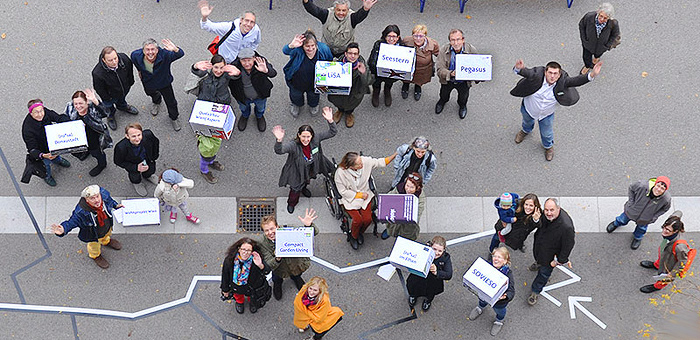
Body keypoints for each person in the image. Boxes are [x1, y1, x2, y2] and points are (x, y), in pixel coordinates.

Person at [511, 59, 602, 161]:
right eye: (550, 73)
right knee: (527, 122)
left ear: (559, 75)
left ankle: (548, 147)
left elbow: (576, 81)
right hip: (529, 108)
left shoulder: (563, 82)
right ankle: (525, 131)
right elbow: (527, 72)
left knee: (546, 133)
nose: (552, 76)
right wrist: (519, 69)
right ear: (545, 72)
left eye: (555, 74)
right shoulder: (536, 76)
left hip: (546, 114)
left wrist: (592, 74)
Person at [273, 108, 337, 214]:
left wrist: (330, 120)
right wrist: (279, 140)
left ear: (312, 136)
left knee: (307, 180)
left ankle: (304, 189)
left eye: (308, 137)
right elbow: (279, 151)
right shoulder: (293, 145)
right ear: (299, 135)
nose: (306, 140)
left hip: (311, 167)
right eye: (303, 136)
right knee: (295, 189)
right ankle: (291, 203)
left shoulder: (316, 139)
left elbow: (332, 132)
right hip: (297, 171)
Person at [190, 54, 238, 184]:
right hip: (205, 114)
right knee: (206, 147)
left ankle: (211, 161)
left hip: (218, 114)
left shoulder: (225, 76)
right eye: (216, 67)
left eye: (221, 68)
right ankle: (204, 169)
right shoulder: (205, 75)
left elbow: (235, 75)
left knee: (216, 142)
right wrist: (195, 66)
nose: (218, 71)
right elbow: (196, 71)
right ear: (211, 66)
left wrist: (237, 72)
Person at [334, 150, 397, 250]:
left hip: (365, 195)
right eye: (359, 164)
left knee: (368, 219)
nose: (362, 164)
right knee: (357, 220)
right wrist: (358, 195)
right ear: (351, 166)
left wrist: (395, 154)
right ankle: (353, 236)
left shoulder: (365, 161)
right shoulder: (340, 173)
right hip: (350, 198)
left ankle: (359, 233)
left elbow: (382, 162)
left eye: (361, 161)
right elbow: (342, 191)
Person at [50, 185, 123, 269]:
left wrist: (116, 206)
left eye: (97, 196)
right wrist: (63, 229)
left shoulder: (104, 195)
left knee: (107, 234)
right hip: (93, 234)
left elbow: (110, 201)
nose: (97, 200)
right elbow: (72, 221)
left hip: (106, 225)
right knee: (94, 246)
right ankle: (95, 256)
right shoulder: (81, 212)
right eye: (92, 198)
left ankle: (106, 241)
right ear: (86, 200)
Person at [258, 209, 319, 301]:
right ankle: (277, 285)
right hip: (279, 269)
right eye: (266, 231)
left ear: (277, 227)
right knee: (277, 278)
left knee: (297, 274)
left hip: (296, 263)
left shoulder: (290, 230)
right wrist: (277, 258)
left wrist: (308, 226)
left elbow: (313, 233)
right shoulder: (262, 243)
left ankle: (296, 279)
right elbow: (269, 264)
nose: (270, 233)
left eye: (272, 228)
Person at [527, 198, 575, 306]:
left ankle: (536, 290)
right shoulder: (545, 214)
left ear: (558, 209)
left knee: (544, 273)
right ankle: (537, 263)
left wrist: (558, 261)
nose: (548, 213)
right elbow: (539, 225)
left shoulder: (566, 227)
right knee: (538, 259)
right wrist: (535, 220)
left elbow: (568, 246)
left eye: (552, 210)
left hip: (550, 256)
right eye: (546, 210)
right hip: (540, 247)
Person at [131, 38, 185, 131]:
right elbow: (136, 64)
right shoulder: (135, 55)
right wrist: (139, 71)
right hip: (148, 82)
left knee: (171, 102)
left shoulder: (165, 55)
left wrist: (175, 49)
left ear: (157, 50)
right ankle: (157, 101)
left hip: (164, 82)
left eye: (153, 49)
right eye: (147, 50)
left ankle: (174, 117)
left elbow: (180, 54)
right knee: (151, 93)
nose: (150, 52)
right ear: (143, 50)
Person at [606, 176, 671, 250]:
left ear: (665, 190)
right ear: (655, 184)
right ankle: (616, 223)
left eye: (662, 188)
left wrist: (654, 216)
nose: (659, 189)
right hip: (631, 211)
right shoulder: (642, 185)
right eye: (658, 185)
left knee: (641, 229)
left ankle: (637, 238)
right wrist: (631, 203)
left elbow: (665, 209)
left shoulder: (666, 199)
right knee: (622, 219)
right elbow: (631, 188)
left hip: (646, 218)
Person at [283, 30, 334, 118]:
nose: (310, 49)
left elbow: (329, 60)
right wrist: (291, 45)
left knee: (314, 95)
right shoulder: (297, 49)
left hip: (315, 82)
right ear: (302, 45)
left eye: (312, 45)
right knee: (296, 95)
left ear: (316, 44)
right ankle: (296, 104)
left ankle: (313, 105)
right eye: (307, 46)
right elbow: (285, 51)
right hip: (297, 81)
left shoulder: (324, 49)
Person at [639, 211, 693, 293]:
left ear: (675, 231)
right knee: (662, 257)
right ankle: (656, 265)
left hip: (670, 263)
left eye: (668, 230)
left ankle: (657, 286)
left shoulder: (680, 247)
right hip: (666, 252)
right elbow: (678, 213)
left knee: (664, 277)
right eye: (664, 227)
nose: (664, 230)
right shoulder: (670, 222)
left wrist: (672, 274)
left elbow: (682, 262)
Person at [22, 99, 71, 186]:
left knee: (56, 156)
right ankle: (47, 176)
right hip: (43, 150)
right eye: (36, 112)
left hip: (53, 143)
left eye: (41, 110)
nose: (40, 114)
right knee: (46, 165)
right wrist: (44, 155)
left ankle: (58, 160)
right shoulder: (27, 129)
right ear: (31, 113)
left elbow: (59, 118)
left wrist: (74, 123)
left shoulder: (46, 112)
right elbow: (32, 149)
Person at [302, 0, 377, 58]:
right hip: (327, 49)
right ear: (334, 9)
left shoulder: (352, 17)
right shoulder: (326, 14)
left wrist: (366, 9)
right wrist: (306, 1)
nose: (341, 13)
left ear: (348, 10)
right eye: (338, 10)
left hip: (344, 51)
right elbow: (313, 10)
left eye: (344, 10)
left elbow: (360, 15)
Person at [63, 89, 112, 177]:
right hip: (79, 138)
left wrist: (95, 101)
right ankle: (85, 152)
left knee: (97, 153)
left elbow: (106, 113)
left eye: (81, 103)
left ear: (86, 102)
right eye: (76, 104)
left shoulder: (92, 108)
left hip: (94, 138)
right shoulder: (70, 107)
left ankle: (102, 164)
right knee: (82, 149)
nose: (78, 106)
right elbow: (65, 117)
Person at [468, 246, 515, 336]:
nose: (495, 259)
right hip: (484, 295)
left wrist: (505, 296)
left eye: (499, 257)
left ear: (505, 261)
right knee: (482, 301)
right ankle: (480, 308)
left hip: (499, 302)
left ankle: (499, 321)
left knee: (500, 311)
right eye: (494, 256)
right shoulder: (487, 266)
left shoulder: (508, 274)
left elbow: (511, 291)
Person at [229, 48, 277, 132]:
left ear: (254, 58)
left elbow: (273, 73)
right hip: (242, 97)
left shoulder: (261, 62)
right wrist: (234, 75)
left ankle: (259, 116)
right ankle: (245, 116)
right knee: (243, 108)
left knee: (261, 108)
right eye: (244, 61)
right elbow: (227, 79)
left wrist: (266, 70)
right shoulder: (234, 66)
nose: (247, 63)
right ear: (239, 60)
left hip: (260, 95)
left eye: (249, 60)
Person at [91, 46, 138, 131]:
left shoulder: (124, 59)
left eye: (115, 58)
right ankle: (111, 116)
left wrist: (130, 82)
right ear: (104, 60)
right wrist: (107, 98)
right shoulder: (97, 73)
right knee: (108, 107)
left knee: (122, 100)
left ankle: (123, 106)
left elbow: (130, 71)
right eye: (110, 60)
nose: (114, 62)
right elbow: (99, 89)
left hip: (123, 89)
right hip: (109, 96)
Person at [220, 237, 271, 314]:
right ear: (239, 249)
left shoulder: (256, 259)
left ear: (252, 251)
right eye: (243, 249)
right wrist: (225, 289)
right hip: (236, 286)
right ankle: (239, 302)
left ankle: (253, 303)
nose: (245, 252)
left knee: (252, 296)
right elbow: (225, 275)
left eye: (248, 250)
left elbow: (267, 271)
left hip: (252, 287)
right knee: (238, 295)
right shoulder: (230, 260)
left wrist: (260, 265)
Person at [435, 29, 478, 119]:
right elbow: (439, 69)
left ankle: (462, 106)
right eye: (453, 40)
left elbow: (478, 67)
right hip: (448, 80)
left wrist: (480, 76)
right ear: (450, 41)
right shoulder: (443, 50)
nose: (456, 43)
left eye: (458, 39)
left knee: (463, 97)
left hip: (464, 82)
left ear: (463, 40)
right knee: (444, 94)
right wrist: (450, 74)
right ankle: (442, 101)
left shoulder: (471, 49)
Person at [329, 43, 373, 128]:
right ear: (345, 54)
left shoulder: (363, 66)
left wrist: (363, 73)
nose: (352, 56)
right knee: (338, 102)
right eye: (350, 53)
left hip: (354, 93)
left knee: (351, 105)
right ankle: (340, 111)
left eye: (355, 54)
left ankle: (349, 114)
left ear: (358, 55)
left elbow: (368, 82)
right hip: (340, 93)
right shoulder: (337, 64)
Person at [406, 236, 453, 312]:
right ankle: (413, 296)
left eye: (440, 251)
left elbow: (449, 274)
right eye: (434, 249)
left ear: (444, 250)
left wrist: (436, 271)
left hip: (433, 280)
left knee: (431, 292)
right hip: (418, 276)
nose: (436, 253)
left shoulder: (446, 258)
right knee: (413, 287)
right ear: (430, 246)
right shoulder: (424, 250)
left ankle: (428, 301)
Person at [113, 123, 160, 197]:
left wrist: (154, 156)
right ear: (127, 136)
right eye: (133, 136)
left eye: (139, 135)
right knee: (135, 176)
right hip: (133, 164)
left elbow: (155, 143)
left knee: (150, 169)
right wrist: (136, 167)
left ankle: (148, 176)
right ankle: (137, 183)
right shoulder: (121, 147)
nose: (137, 138)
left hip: (148, 159)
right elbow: (118, 162)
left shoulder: (148, 134)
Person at [381, 172, 425, 241]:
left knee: (405, 237)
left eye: (412, 187)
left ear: (417, 188)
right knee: (392, 229)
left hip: (408, 225)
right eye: (407, 185)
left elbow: (417, 215)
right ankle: (389, 232)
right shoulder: (399, 188)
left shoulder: (420, 197)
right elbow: (389, 197)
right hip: (394, 220)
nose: (408, 189)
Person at [367, 24, 403, 107]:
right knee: (376, 85)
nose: (391, 39)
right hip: (378, 72)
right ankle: (376, 94)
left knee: (389, 84)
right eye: (389, 36)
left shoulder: (402, 47)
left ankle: (387, 92)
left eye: (394, 36)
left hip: (391, 74)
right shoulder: (378, 44)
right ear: (385, 36)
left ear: (398, 37)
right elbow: (372, 60)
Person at [401, 24, 439, 101]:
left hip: (423, 69)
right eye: (415, 36)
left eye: (421, 36)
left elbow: (439, 55)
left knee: (419, 80)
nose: (418, 39)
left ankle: (418, 87)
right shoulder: (406, 41)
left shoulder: (433, 44)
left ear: (425, 36)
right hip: (409, 67)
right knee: (406, 79)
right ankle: (405, 85)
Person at [579, 3, 620, 74]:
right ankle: (587, 66)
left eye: (605, 18)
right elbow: (581, 25)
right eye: (601, 16)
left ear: (609, 18)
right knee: (586, 57)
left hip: (602, 46)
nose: (602, 19)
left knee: (598, 54)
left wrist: (607, 45)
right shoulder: (589, 17)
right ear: (598, 12)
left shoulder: (613, 23)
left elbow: (615, 34)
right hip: (588, 44)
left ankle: (596, 58)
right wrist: (584, 40)